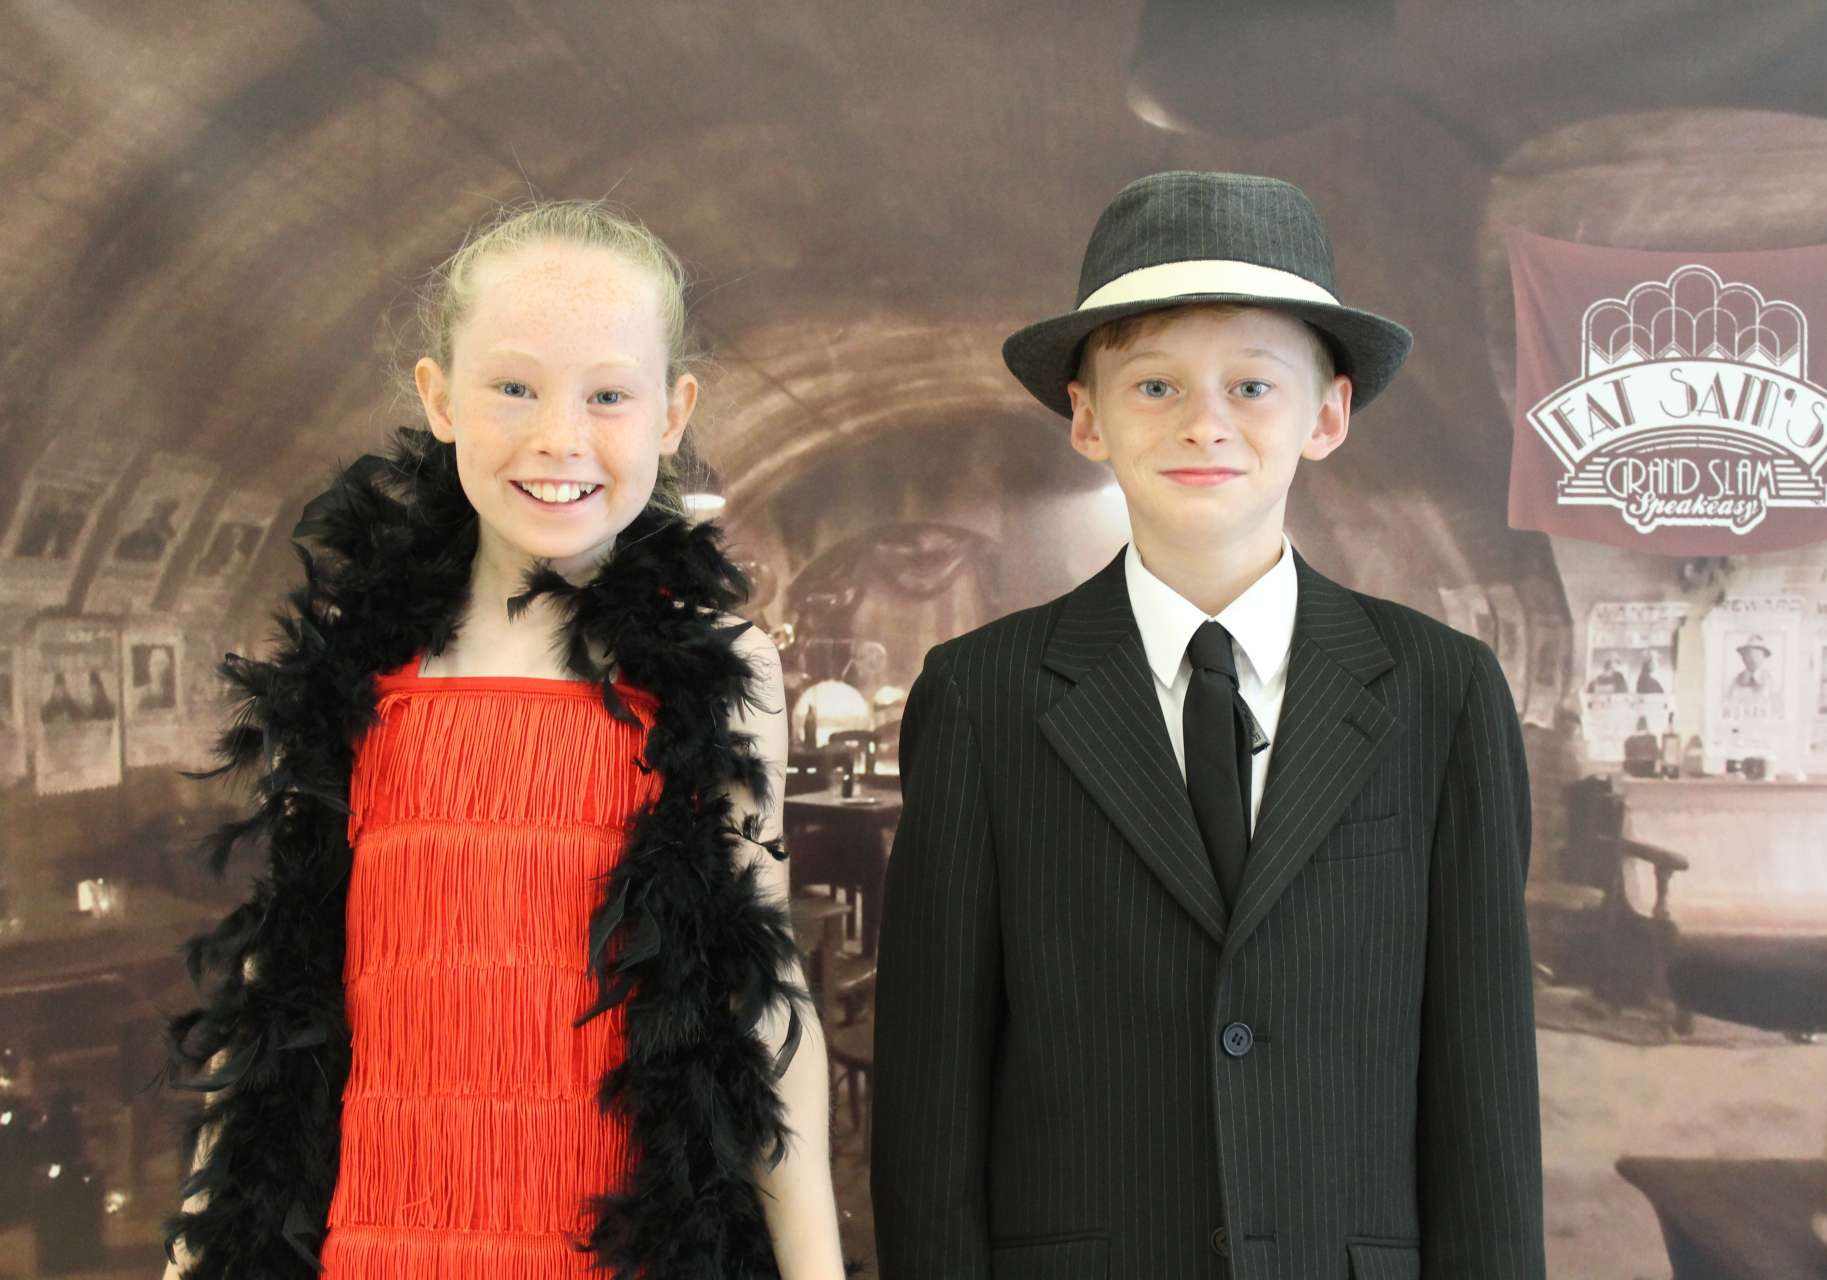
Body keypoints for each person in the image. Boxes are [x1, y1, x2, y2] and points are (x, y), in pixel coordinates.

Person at [874, 172, 1544, 1279]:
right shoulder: (981, 697)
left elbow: (1487, 1091)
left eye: (1252, 383)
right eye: (1154, 384)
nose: (1204, 422)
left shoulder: (1444, 692)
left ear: (1327, 414)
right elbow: (929, 1102)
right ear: (1087, 416)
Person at [164, 201, 843, 1279]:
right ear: (439, 398)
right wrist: (198, 1247)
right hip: (383, 1238)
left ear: (673, 415)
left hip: (621, 1246)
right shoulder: (357, 670)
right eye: (514, 388)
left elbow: (762, 997)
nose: (559, 438)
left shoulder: (725, 673)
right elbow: (279, 985)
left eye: (608, 395)